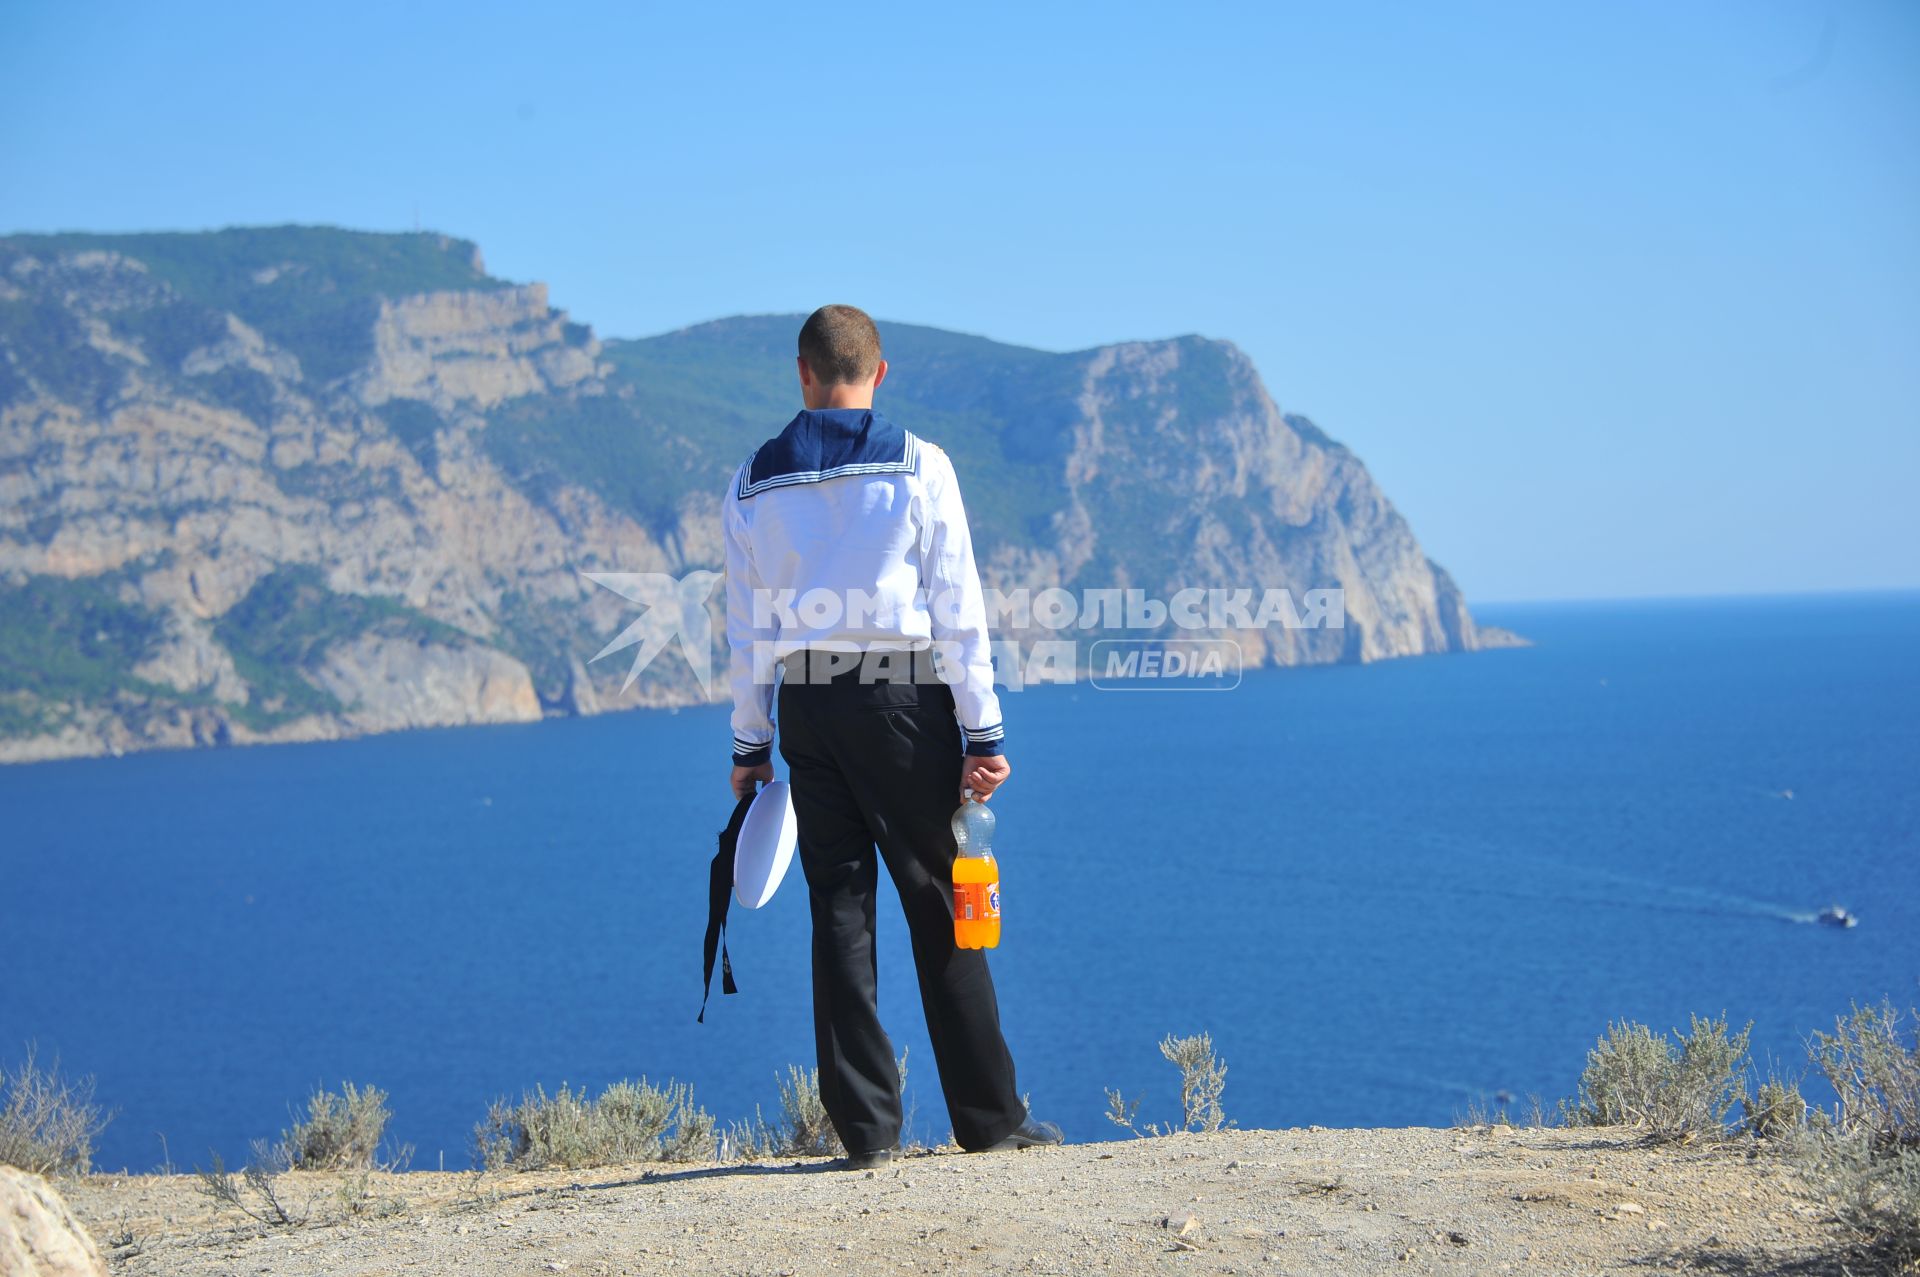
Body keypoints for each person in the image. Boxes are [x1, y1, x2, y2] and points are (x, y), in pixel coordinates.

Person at [722, 304, 1062, 1169]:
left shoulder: (753, 481)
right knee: (941, 900)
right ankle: (988, 1117)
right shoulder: (921, 464)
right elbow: (959, 606)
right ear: (879, 373)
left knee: (837, 907)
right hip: (904, 701)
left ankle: (865, 1133)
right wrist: (983, 730)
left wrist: (751, 744)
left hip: (808, 704)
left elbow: (747, 628)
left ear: (802, 373)